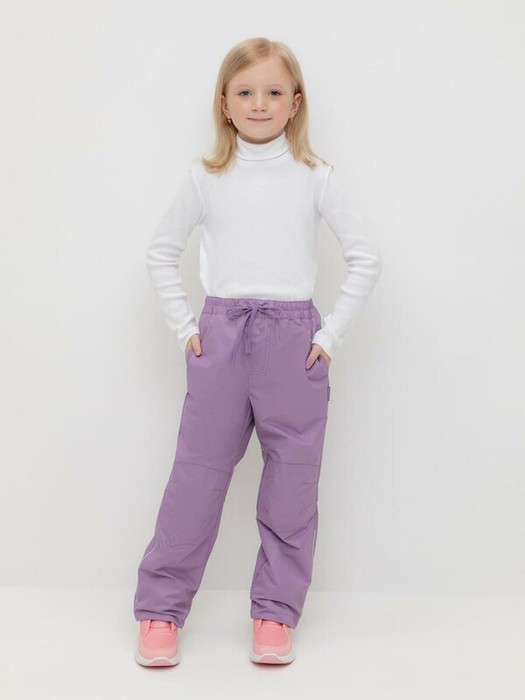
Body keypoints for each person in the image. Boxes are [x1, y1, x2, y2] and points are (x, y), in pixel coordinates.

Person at [133, 36, 383, 667]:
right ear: (224, 103)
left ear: (296, 103)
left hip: (294, 344)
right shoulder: (206, 177)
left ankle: (275, 613)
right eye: (245, 92)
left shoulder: (315, 176)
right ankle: (161, 609)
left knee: (292, 484)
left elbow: (366, 258)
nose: (260, 103)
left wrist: (328, 337)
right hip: (221, 336)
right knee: (196, 479)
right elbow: (161, 252)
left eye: (274, 92)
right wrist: (186, 328)